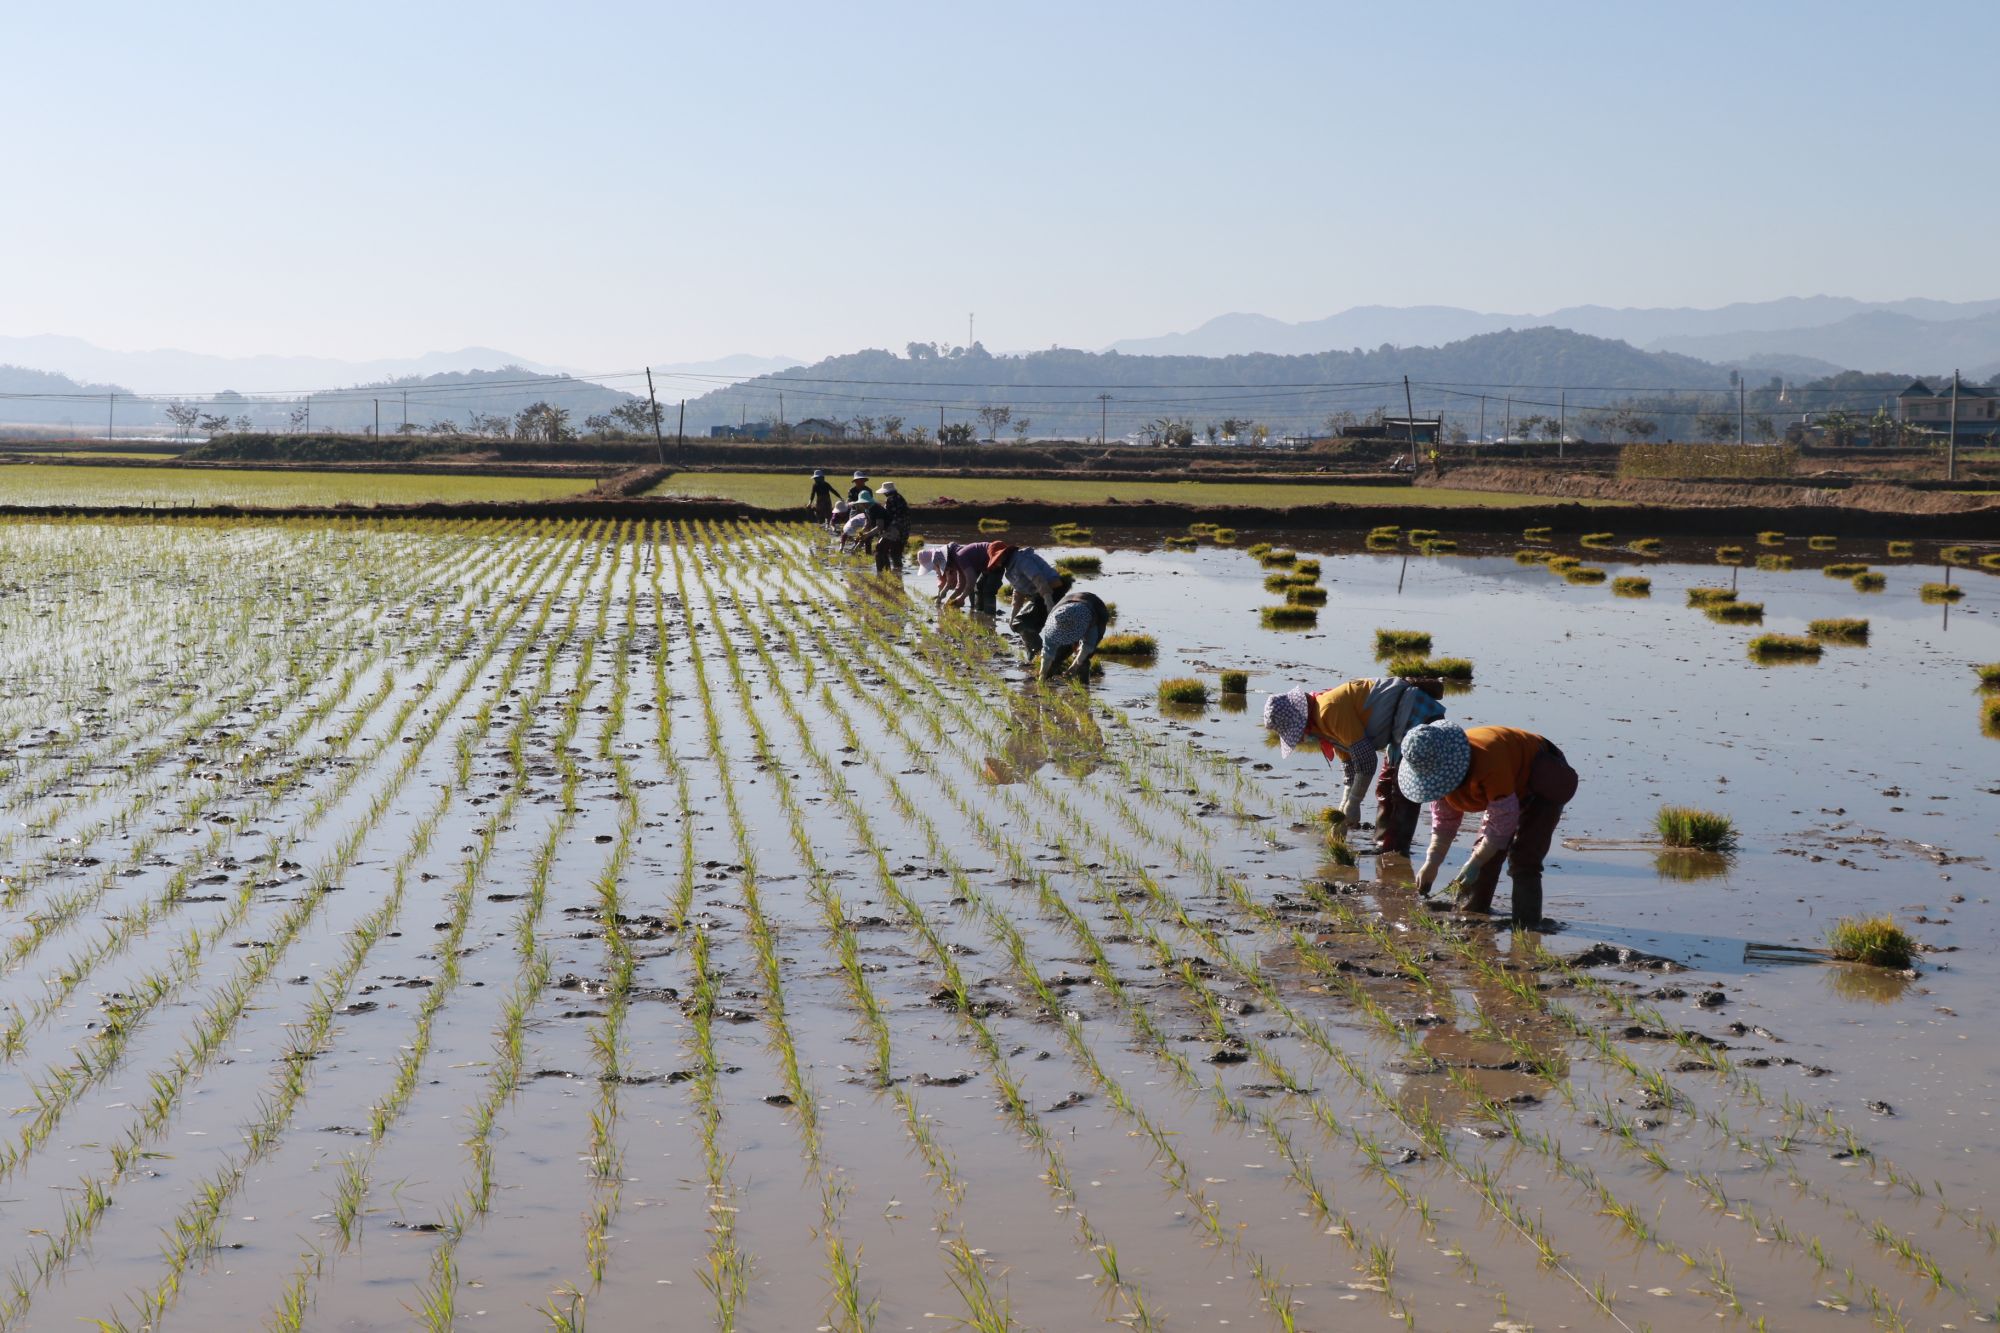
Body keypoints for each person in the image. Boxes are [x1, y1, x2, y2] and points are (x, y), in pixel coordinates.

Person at [1397, 721, 1578, 929]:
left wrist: (1475, 862)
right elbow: (1444, 823)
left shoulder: (1488, 760)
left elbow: (1501, 824)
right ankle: (1473, 915)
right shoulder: (1437, 777)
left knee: (1524, 858)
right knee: (1484, 857)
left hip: (1541, 779)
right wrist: (1432, 862)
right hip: (1506, 787)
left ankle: (1527, 926)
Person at [1261, 678, 1446, 854]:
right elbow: (1350, 764)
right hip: (1399, 723)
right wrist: (1343, 810)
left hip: (1416, 714)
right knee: (1384, 787)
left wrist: (1355, 802)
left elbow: (1366, 759)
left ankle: (1395, 853)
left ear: (1299, 721)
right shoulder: (1320, 722)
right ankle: (1383, 844)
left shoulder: (1328, 711)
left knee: (1402, 789)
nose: (1300, 739)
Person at [991, 545, 1066, 662]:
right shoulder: (1010, 570)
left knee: (1022, 623)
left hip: (1051, 591)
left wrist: (1049, 603)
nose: (997, 564)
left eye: (997, 560)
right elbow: (1018, 592)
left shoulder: (1021, 560)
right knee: (1018, 623)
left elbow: (1038, 579)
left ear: (1004, 554)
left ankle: (1040, 656)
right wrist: (1012, 617)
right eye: (995, 562)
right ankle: (1041, 656)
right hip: (1039, 595)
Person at [1036, 586, 1111, 680]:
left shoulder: (1091, 620)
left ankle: (1083, 684)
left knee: (1084, 659)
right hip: (1069, 601)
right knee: (1057, 656)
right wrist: (1042, 674)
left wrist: (1074, 667)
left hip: (1096, 607)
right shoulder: (1055, 619)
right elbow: (1048, 652)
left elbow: (1087, 646)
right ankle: (1048, 676)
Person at [872, 481, 911, 572]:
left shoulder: (891, 500)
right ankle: (898, 575)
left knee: (880, 548)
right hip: (904, 529)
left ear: (886, 492)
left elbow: (888, 516)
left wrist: (882, 529)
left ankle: (882, 573)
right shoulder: (900, 498)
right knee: (896, 553)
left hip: (894, 528)